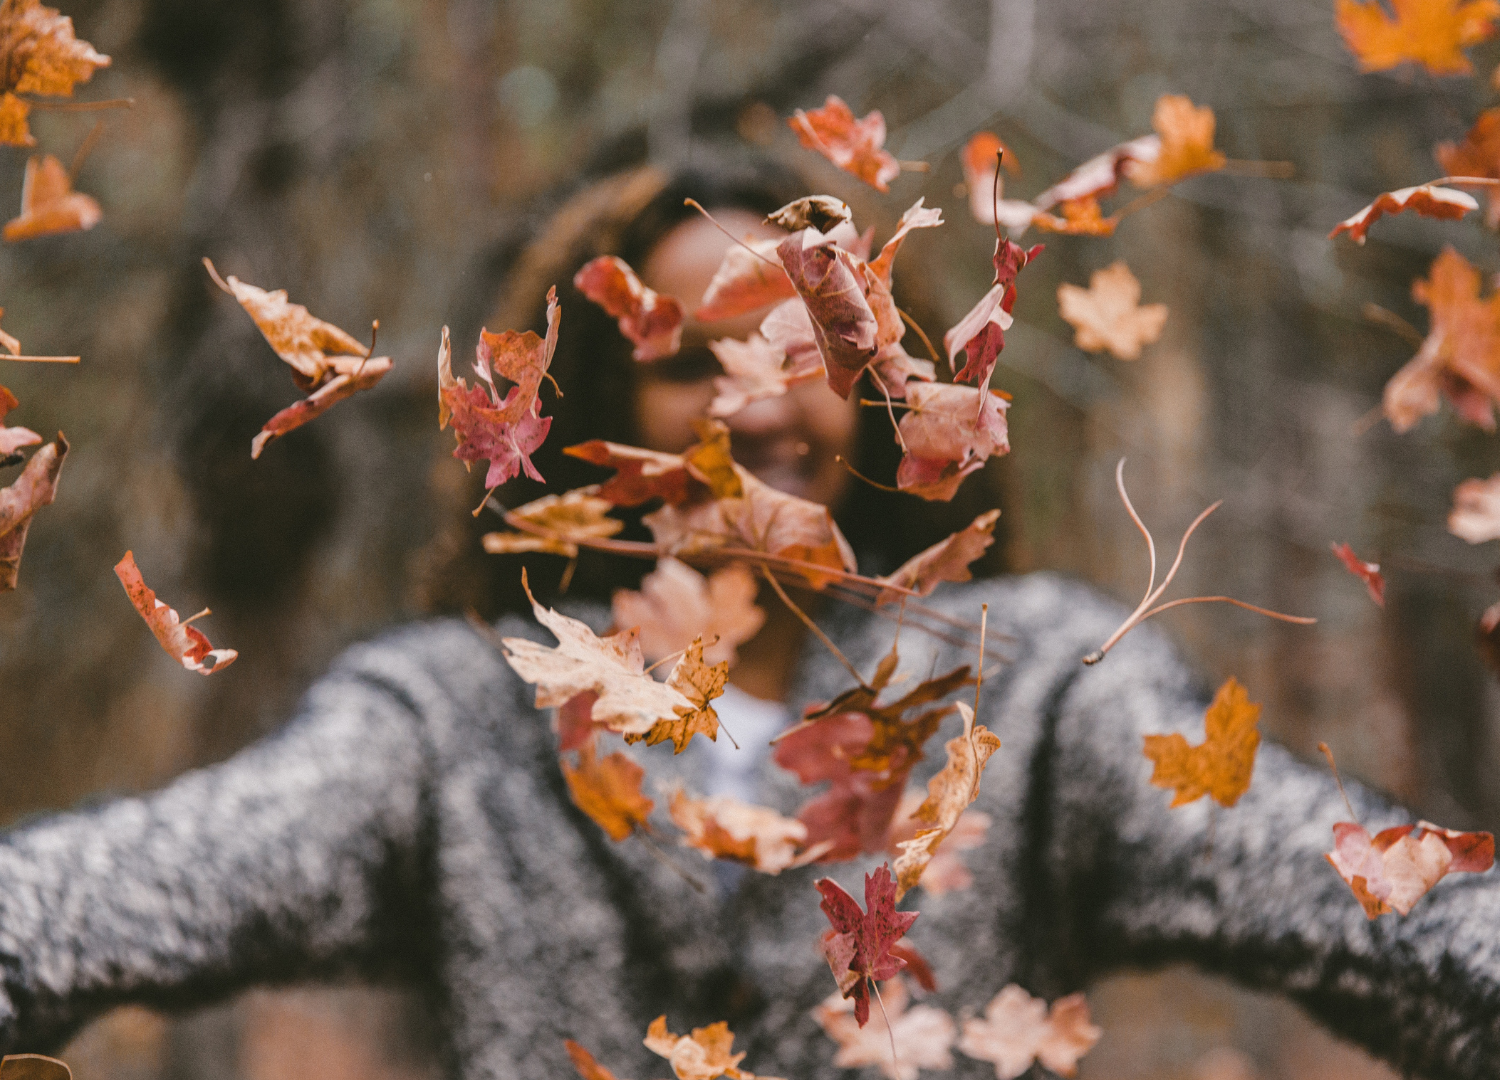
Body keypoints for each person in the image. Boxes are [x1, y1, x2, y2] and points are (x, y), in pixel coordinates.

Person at [0, 144, 1495, 1080]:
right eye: (685, 361)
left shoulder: (1033, 692)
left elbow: (1387, 925)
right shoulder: (457, 720)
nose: (747, 404)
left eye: (797, 346)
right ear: (596, 412)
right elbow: (133, 890)